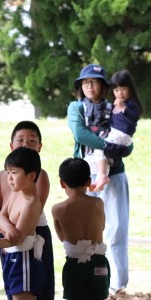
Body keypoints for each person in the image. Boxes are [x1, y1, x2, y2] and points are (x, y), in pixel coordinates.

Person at [67, 64, 133, 295]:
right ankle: (88, 282)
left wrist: (121, 145)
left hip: (114, 175)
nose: (89, 86)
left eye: (94, 81)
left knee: (116, 230)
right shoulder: (76, 107)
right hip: (85, 176)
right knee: (86, 232)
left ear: (104, 86)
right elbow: (80, 133)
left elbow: (128, 140)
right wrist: (108, 145)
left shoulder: (115, 107)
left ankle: (119, 285)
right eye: (85, 82)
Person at [0, 121, 55, 299]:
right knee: (13, 285)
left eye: (32, 140)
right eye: (20, 140)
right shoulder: (3, 176)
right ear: (11, 146)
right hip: (8, 235)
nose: (26, 144)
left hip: (32, 233)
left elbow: (32, 211)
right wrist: (7, 231)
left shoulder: (39, 177)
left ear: (40, 146)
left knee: (37, 288)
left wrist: (13, 234)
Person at [0, 147, 45, 300]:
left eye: (14, 173)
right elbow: (1, 216)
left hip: (24, 258)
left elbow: (18, 238)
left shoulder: (31, 203)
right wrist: (9, 228)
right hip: (12, 256)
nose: (9, 178)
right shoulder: (15, 193)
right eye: (8, 173)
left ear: (31, 175)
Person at [52, 158, 110, 300]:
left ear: (62, 183)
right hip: (99, 262)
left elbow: (62, 238)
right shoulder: (98, 203)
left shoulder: (58, 209)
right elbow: (101, 227)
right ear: (89, 181)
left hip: (75, 265)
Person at [91, 69, 144, 191]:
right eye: (116, 90)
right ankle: (101, 180)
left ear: (131, 89)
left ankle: (102, 176)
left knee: (99, 148)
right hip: (116, 134)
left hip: (122, 135)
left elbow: (134, 118)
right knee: (106, 157)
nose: (120, 93)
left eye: (123, 89)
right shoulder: (115, 104)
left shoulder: (131, 104)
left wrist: (123, 108)